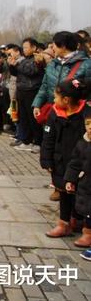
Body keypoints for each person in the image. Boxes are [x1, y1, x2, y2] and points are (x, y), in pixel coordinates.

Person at [40, 79, 89, 239]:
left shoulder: (86, 113)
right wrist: (46, 159)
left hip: (81, 162)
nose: (54, 100)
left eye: (56, 97)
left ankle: (78, 221)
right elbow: (48, 137)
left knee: (81, 192)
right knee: (64, 192)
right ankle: (63, 223)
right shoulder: (55, 113)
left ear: (66, 99)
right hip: (60, 160)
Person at [33, 31, 91, 123]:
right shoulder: (52, 64)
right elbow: (44, 86)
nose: (52, 47)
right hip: (54, 111)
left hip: (75, 115)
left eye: (54, 44)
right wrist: (37, 104)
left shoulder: (86, 64)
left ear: (63, 46)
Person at [9, 39, 45, 151]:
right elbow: (16, 73)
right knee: (23, 118)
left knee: (33, 119)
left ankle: (38, 142)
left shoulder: (38, 59)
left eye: (26, 47)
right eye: (23, 47)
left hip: (32, 91)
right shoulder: (24, 60)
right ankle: (27, 141)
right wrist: (12, 65)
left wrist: (17, 64)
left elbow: (31, 71)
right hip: (22, 91)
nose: (23, 50)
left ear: (34, 47)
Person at [64, 107, 91, 252]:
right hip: (85, 184)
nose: (90, 128)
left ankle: (88, 233)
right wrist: (70, 180)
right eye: (87, 124)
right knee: (86, 209)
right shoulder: (82, 143)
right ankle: (86, 231)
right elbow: (75, 163)